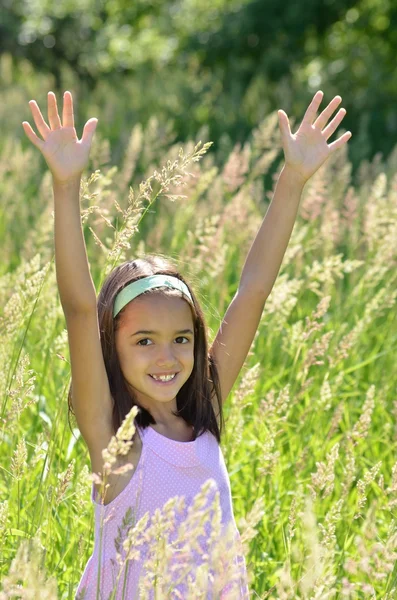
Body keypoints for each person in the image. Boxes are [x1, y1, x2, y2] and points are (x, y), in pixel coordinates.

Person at [22, 90, 351, 599]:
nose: (167, 356)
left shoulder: (203, 415)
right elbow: (80, 310)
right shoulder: (115, 441)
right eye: (144, 341)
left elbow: (254, 290)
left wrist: (293, 179)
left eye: (181, 338)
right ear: (112, 346)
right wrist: (66, 187)